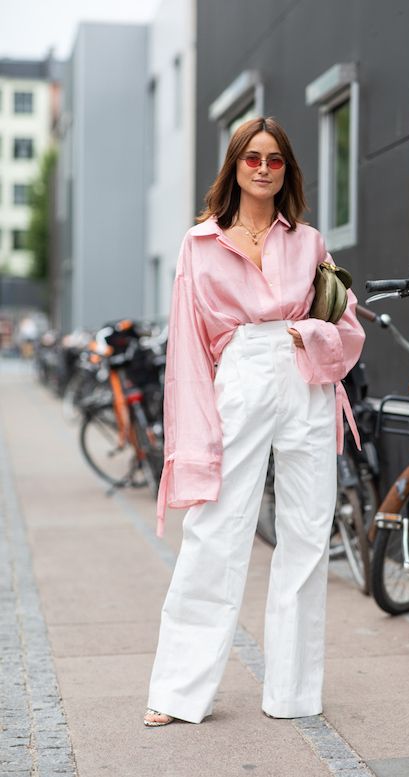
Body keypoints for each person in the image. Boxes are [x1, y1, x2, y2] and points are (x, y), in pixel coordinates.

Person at [144, 117, 365, 727]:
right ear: (235, 166)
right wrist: (194, 431)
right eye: (252, 158)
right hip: (238, 371)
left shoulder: (309, 242)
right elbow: (187, 346)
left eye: (275, 160)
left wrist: (311, 331)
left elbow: (348, 329)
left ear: (287, 170)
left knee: (306, 530)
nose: (264, 168)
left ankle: (293, 693)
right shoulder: (200, 243)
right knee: (216, 527)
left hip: (305, 377)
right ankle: (177, 693)